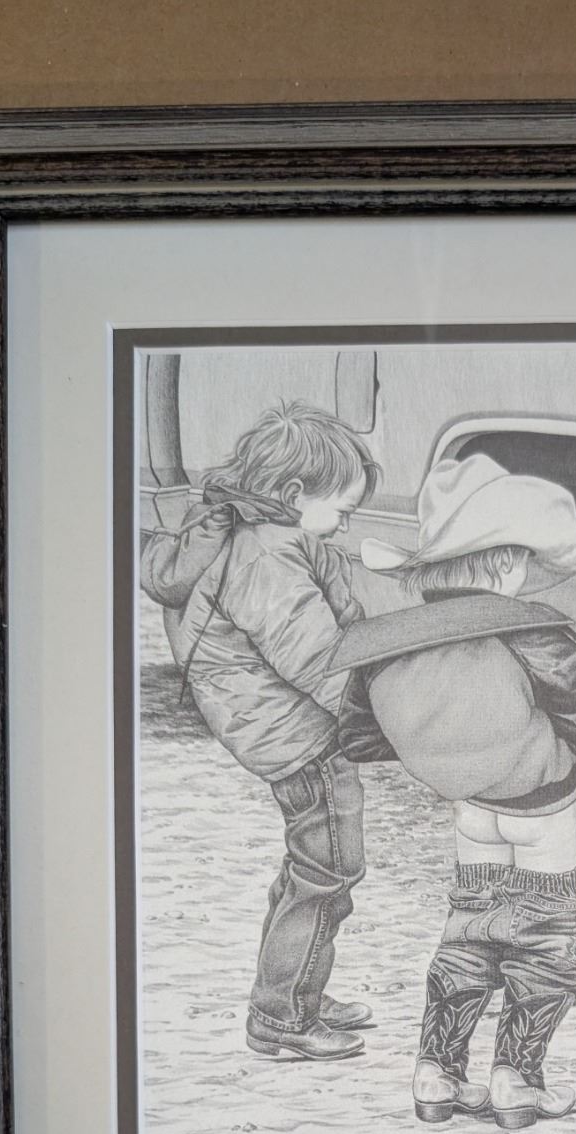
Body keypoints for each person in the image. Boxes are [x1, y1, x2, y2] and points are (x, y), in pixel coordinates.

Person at [333, 454, 576, 1129]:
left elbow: (358, 736)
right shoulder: (530, 630)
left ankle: (436, 1072)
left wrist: (450, 756)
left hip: (472, 814)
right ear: (505, 563)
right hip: (543, 811)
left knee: (467, 934)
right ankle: (517, 1081)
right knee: (544, 940)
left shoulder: (393, 643)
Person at [139, 401, 380, 1061]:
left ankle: (294, 987)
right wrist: (378, 724)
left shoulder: (238, 532)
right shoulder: (266, 556)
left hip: (273, 729)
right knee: (329, 870)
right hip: (300, 738)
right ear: (294, 494)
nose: (345, 524)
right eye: (341, 511)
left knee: (310, 866)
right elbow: (317, 659)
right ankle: (282, 1016)